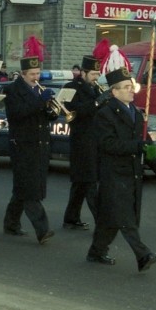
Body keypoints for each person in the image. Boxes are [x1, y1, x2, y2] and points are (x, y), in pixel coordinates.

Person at [87, 47, 156, 272]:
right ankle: (142, 255)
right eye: (127, 87)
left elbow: (143, 138)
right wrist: (136, 146)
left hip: (132, 172)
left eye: (132, 87)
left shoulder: (135, 112)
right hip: (113, 172)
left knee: (112, 218)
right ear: (115, 91)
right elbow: (107, 144)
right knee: (125, 217)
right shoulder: (105, 114)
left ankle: (96, 251)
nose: (132, 91)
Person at [2, 36, 56, 245]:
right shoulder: (13, 90)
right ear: (23, 74)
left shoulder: (38, 90)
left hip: (40, 144)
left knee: (22, 189)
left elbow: (43, 115)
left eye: (38, 74)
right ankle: (42, 229)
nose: (36, 77)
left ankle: (11, 223)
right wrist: (40, 102)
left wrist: (50, 109)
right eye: (32, 74)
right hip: (23, 144)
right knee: (30, 189)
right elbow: (17, 114)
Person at [61, 40, 112, 230]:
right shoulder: (71, 87)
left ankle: (70, 218)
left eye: (98, 74)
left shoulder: (95, 88)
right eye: (93, 74)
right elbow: (73, 111)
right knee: (90, 183)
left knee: (80, 184)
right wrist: (98, 103)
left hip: (94, 140)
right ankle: (102, 222)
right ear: (82, 73)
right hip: (81, 142)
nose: (96, 77)